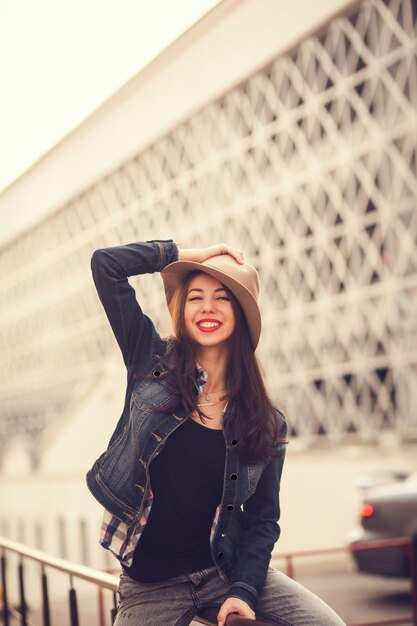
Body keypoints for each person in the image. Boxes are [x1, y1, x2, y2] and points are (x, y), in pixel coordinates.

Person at [86, 240, 345, 626]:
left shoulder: (266, 418)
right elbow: (105, 264)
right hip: (150, 586)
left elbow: (262, 520)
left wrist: (243, 590)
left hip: (224, 571)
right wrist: (182, 255)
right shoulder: (150, 362)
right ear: (182, 310)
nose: (208, 307)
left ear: (240, 314)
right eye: (196, 297)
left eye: (222, 298)